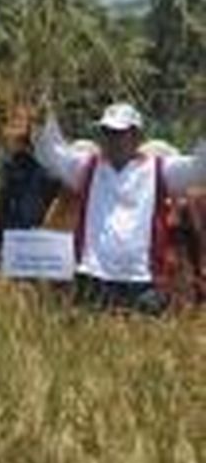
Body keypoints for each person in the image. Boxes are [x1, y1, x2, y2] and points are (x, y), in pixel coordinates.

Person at [33, 102, 206, 315]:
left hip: (142, 281)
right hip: (93, 277)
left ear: (136, 136)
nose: (112, 140)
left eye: (119, 133)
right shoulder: (87, 167)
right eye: (107, 132)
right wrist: (42, 120)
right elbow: (52, 155)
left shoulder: (160, 170)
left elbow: (199, 168)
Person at [0, 121, 62, 268]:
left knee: (20, 286)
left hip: (18, 240)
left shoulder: (11, 168)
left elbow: (2, 209)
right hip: (40, 240)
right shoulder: (50, 168)